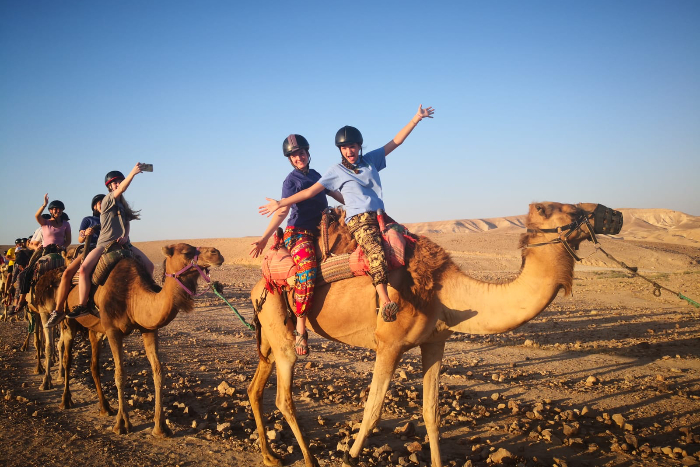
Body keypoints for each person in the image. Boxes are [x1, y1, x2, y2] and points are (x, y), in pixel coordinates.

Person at [260, 105, 434, 322]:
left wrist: (416, 118)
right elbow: (307, 194)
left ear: (358, 147)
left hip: (377, 215)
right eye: (344, 148)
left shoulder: (367, 161)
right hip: (325, 225)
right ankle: (383, 301)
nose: (349, 151)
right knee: (373, 251)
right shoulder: (321, 174)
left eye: (352, 146)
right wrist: (279, 204)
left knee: (409, 241)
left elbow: (395, 142)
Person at [250, 134, 344, 357]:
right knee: (308, 269)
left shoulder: (317, 175)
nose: (298, 157)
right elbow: (283, 210)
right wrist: (265, 238)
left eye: (301, 153)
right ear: (290, 160)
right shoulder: (290, 181)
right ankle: (301, 327)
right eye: (294, 155)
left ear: (307, 153)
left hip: (323, 228)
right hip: (299, 232)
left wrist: (356, 201)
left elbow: (334, 193)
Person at [46, 164, 154, 327]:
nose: (118, 184)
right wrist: (133, 172)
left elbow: (127, 222)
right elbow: (122, 189)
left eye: (120, 182)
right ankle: (81, 305)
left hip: (124, 244)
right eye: (115, 183)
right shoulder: (108, 199)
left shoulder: (122, 206)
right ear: (110, 186)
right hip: (104, 244)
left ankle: (148, 296)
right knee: (83, 270)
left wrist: (125, 236)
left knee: (150, 266)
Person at [15, 196, 72, 311]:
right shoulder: (45, 223)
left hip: (59, 252)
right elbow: (36, 216)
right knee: (25, 273)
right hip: (44, 251)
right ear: (50, 211)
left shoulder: (66, 224)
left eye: (60, 209)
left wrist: (62, 247)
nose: (58, 211)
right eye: (55, 209)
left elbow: (68, 241)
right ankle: (22, 300)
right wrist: (44, 204)